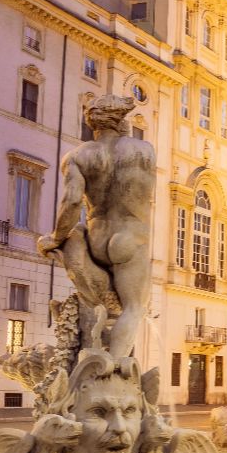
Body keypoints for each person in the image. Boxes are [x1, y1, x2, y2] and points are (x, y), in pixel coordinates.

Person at [38, 95, 155, 361]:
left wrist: (55, 238)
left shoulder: (78, 156)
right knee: (134, 308)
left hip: (95, 237)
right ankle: (109, 371)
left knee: (99, 302)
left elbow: (70, 202)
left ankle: (88, 349)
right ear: (120, 120)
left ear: (92, 123)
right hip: (129, 236)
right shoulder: (143, 151)